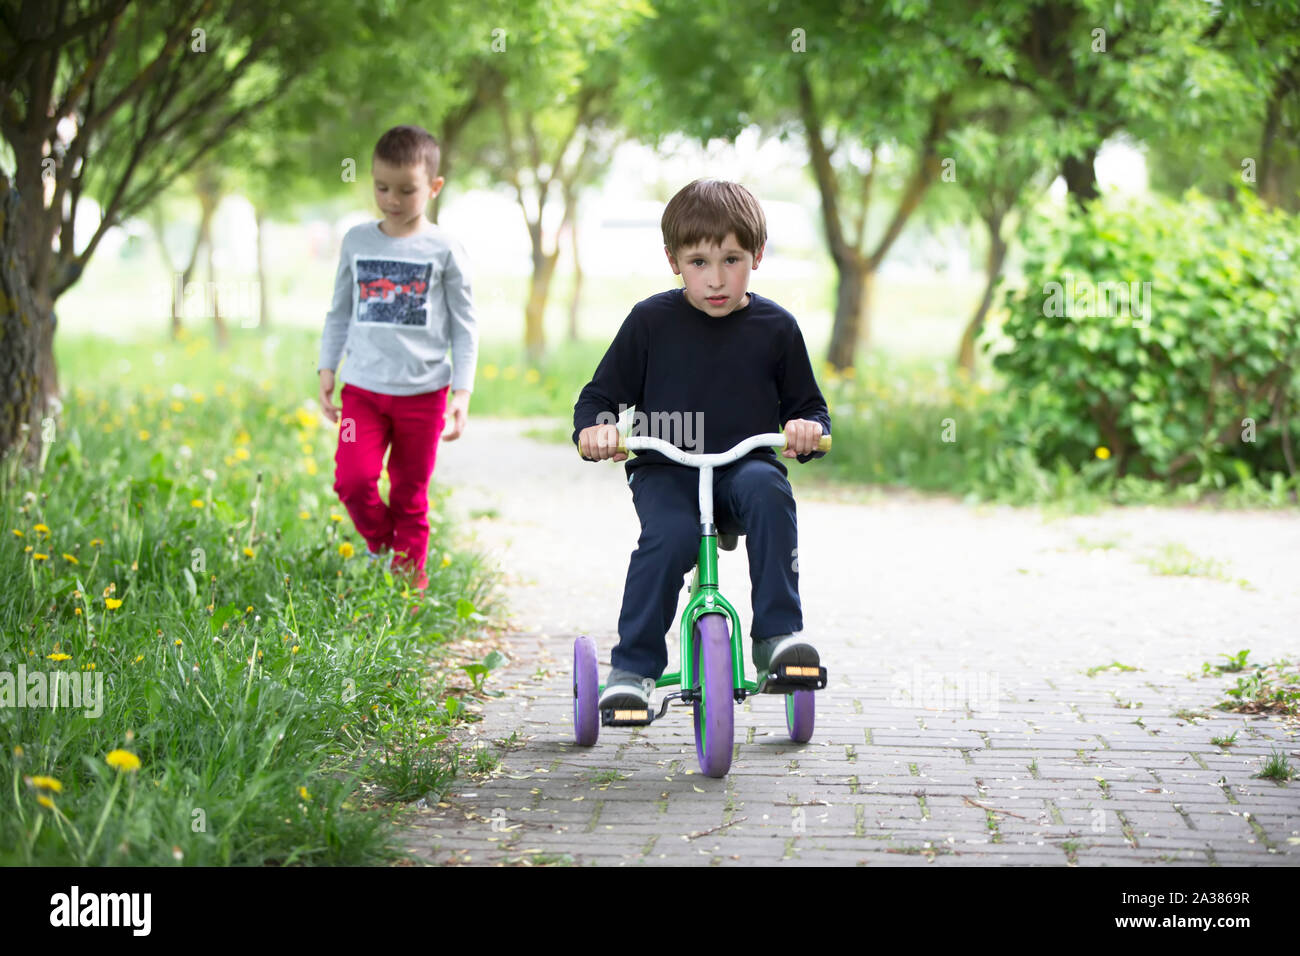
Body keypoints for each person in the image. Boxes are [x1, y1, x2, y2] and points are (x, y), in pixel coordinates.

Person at [573, 179, 831, 709]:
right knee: (670, 537)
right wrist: (596, 430)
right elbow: (599, 396)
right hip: (667, 470)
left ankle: (777, 638)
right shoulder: (651, 322)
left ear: (757, 255)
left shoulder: (776, 327)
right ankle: (634, 669)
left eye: (731, 259)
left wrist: (807, 429)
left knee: (769, 494)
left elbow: (809, 408)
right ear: (672, 260)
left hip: (744, 468)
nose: (716, 279)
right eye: (698, 262)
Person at [317, 125, 478, 591]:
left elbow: (465, 326)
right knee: (352, 480)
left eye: (406, 190)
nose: (391, 199)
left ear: (433, 187)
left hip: (424, 396)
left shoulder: (445, 249)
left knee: (410, 495)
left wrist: (461, 393)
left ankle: (407, 594)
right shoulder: (357, 241)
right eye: (381, 187)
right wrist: (328, 368)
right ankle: (383, 545)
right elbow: (339, 310)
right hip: (363, 391)